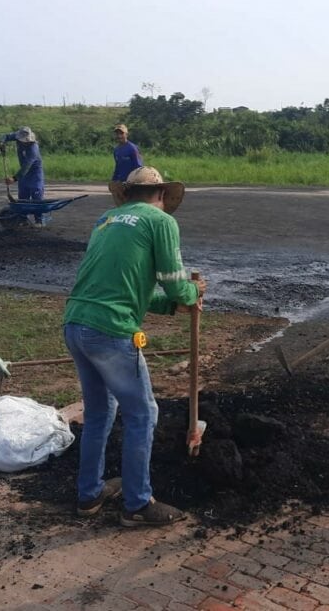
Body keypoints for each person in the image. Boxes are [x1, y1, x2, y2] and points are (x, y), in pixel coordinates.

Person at [63, 166, 206, 527]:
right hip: (110, 331)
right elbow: (174, 281)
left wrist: (172, 306)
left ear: (127, 195)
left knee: (99, 413)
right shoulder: (161, 222)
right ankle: (137, 504)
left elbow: (125, 289)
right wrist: (191, 295)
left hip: (76, 323)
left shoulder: (106, 220)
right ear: (161, 196)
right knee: (143, 414)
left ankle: (89, 495)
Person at [0, 126, 46, 225]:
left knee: (36, 196)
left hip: (35, 174)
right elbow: (5, 136)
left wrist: (14, 178)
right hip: (24, 175)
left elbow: (26, 167)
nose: (20, 142)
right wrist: (1, 143)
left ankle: (39, 220)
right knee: (23, 196)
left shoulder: (33, 149)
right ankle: (23, 219)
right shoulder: (17, 137)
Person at [108, 124, 144, 206]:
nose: (119, 136)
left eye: (121, 133)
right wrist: (113, 181)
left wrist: (134, 182)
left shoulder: (132, 148)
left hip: (132, 184)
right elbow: (117, 167)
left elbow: (138, 167)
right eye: (117, 134)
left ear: (126, 134)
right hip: (121, 183)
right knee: (121, 206)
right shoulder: (116, 150)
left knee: (132, 206)